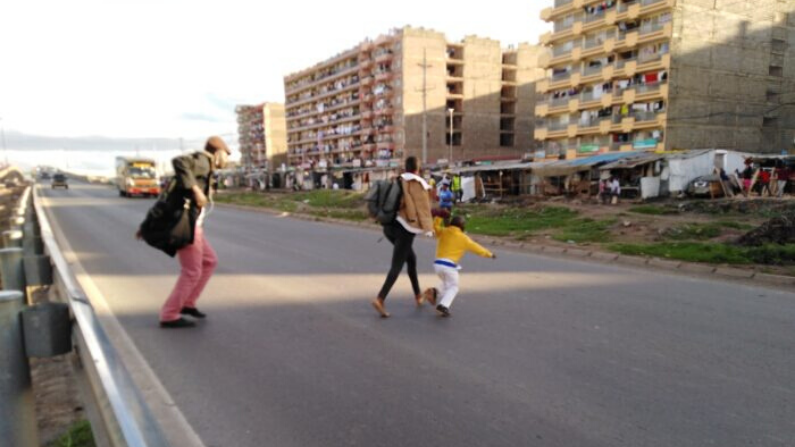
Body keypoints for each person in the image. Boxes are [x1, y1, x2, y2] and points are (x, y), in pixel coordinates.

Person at [147, 136, 230, 328]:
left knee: (209, 261)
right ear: (217, 152)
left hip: (195, 226)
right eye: (225, 154)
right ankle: (169, 314)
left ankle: (188, 303)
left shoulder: (207, 167)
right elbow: (179, 161)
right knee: (192, 271)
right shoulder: (202, 161)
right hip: (187, 226)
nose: (226, 160)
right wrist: (197, 191)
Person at [372, 156, 434, 318]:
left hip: (389, 227)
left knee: (411, 259)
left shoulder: (398, 180)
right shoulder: (416, 183)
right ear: (418, 169)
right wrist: (429, 228)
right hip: (404, 229)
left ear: (405, 167)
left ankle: (418, 295)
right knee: (397, 265)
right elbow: (423, 207)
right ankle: (380, 298)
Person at [422, 214, 496, 317]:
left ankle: (434, 291)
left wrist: (439, 216)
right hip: (449, 265)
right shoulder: (464, 238)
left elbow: (434, 227)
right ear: (462, 226)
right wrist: (489, 254)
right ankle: (443, 306)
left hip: (437, 264)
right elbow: (477, 248)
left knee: (447, 282)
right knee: (454, 286)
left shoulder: (444, 231)